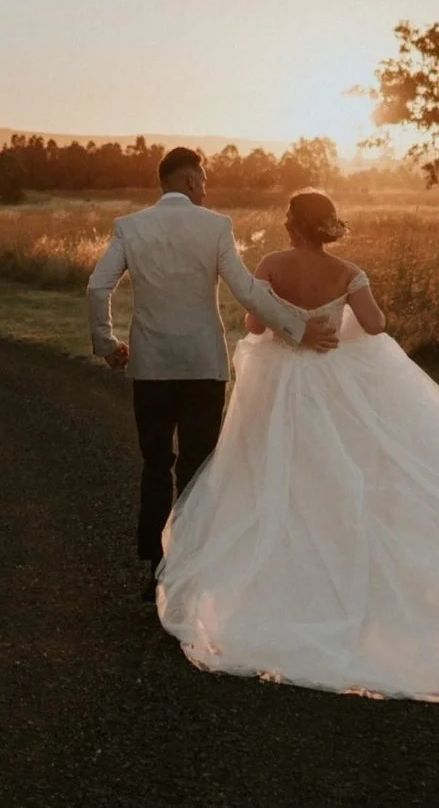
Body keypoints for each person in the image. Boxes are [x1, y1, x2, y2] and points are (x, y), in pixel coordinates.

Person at [154, 188, 439, 701]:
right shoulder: (348, 270)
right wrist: (336, 314)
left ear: (291, 224)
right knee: (349, 472)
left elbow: (256, 322)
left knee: (283, 474)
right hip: (336, 383)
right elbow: (375, 325)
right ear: (327, 226)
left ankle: (290, 586)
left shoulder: (273, 263)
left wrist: (291, 321)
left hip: (282, 382)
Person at [88, 148, 339, 581]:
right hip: (204, 365)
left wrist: (106, 343)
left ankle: (155, 566)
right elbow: (247, 291)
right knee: (197, 468)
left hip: (151, 366)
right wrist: (299, 329)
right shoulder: (216, 227)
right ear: (189, 181)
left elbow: (97, 288)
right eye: (203, 180)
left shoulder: (130, 228)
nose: (206, 188)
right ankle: (187, 567)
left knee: (155, 463)